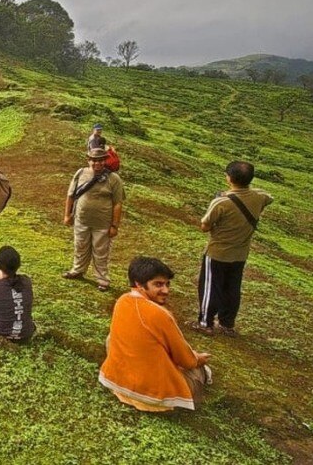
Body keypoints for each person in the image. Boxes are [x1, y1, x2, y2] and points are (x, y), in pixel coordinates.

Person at [99, 257, 213, 412]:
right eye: (158, 284)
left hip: (118, 386)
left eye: (167, 284)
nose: (166, 290)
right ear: (139, 284)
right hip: (155, 399)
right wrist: (198, 359)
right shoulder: (160, 314)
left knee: (111, 338)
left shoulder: (121, 301)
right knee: (198, 367)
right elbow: (185, 360)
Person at [190, 161, 273, 337]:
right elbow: (268, 197)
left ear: (229, 178)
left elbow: (204, 226)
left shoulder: (221, 202)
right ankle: (227, 324)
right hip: (240, 254)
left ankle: (205, 322)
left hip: (218, 252)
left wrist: (222, 197)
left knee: (210, 287)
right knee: (232, 288)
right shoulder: (259, 198)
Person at [62, 147, 125, 290]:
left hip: (103, 223)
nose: (97, 163)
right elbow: (71, 195)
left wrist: (114, 226)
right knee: (80, 246)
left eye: (101, 160)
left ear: (105, 161)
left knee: (101, 252)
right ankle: (77, 270)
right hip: (81, 220)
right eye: (94, 160)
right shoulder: (80, 173)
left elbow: (117, 203)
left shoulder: (113, 179)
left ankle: (102, 280)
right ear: (88, 160)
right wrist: (67, 215)